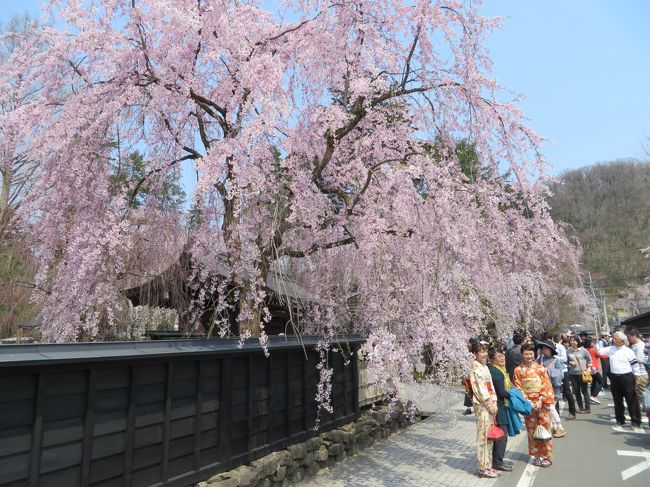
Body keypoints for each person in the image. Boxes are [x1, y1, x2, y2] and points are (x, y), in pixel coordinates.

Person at [513, 342, 555, 468]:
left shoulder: (541, 369)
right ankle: (536, 456)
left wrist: (541, 399)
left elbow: (546, 385)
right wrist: (528, 402)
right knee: (532, 430)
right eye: (526, 354)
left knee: (545, 428)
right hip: (528, 404)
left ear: (534, 354)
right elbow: (518, 387)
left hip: (542, 403)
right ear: (522, 354)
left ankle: (546, 456)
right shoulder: (518, 370)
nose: (529, 356)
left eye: (531, 353)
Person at [597, 331, 642, 427]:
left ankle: (636, 420)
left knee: (631, 399)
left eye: (616, 339)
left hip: (627, 377)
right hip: (614, 377)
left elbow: (635, 365)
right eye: (613, 338)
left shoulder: (628, 351)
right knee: (617, 400)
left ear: (622, 341)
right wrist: (598, 340)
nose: (614, 340)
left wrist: (637, 377)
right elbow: (600, 351)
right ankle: (620, 420)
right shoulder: (611, 349)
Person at [469, 341, 500, 478]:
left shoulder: (485, 367)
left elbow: (490, 386)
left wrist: (495, 401)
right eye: (481, 351)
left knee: (489, 436)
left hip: (490, 404)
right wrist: (489, 403)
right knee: (483, 435)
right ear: (475, 354)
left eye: (485, 351)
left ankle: (489, 465)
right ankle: (483, 467)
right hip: (482, 405)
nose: (484, 354)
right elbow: (479, 389)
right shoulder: (474, 368)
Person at [487, 349, 516, 472]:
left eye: (502, 356)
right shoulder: (497, 373)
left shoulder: (499, 370)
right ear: (493, 359)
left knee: (501, 435)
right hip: (499, 407)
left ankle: (498, 460)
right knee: (502, 436)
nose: (502, 358)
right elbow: (502, 392)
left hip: (500, 406)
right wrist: (514, 394)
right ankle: (498, 462)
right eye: (499, 356)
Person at [535, 340, 567, 438]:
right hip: (542, 388)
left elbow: (560, 374)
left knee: (551, 407)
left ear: (551, 350)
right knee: (547, 409)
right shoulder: (539, 360)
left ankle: (559, 427)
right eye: (543, 348)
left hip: (553, 387)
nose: (544, 350)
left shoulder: (556, 360)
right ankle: (552, 426)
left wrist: (547, 371)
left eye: (546, 348)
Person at [541, 332, 576, 419]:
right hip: (548, 375)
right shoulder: (543, 350)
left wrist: (553, 357)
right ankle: (555, 414)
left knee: (566, 391)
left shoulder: (560, 346)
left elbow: (564, 358)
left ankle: (572, 412)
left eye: (549, 341)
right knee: (552, 395)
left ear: (552, 339)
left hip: (562, 371)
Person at [624, 327, 649, 422]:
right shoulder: (634, 346)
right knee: (637, 397)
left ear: (634, 335)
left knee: (642, 397)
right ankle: (637, 416)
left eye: (628, 337)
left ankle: (638, 417)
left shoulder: (640, 346)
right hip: (636, 375)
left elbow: (638, 362)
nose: (628, 339)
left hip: (641, 375)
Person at [567, 335, 593, 414]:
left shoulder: (583, 350)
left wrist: (589, 368)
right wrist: (569, 363)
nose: (572, 342)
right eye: (571, 341)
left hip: (582, 373)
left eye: (574, 341)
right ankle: (580, 407)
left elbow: (589, 358)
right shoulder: (568, 351)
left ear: (578, 342)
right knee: (576, 391)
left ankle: (587, 408)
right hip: (572, 373)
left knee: (584, 391)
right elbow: (566, 361)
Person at [584, 337, 606, 404]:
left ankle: (592, 396)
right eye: (592, 342)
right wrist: (608, 355)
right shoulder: (592, 350)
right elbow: (600, 355)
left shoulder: (586, 350)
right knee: (601, 382)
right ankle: (594, 396)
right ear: (589, 343)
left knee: (593, 383)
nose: (593, 343)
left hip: (589, 368)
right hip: (594, 368)